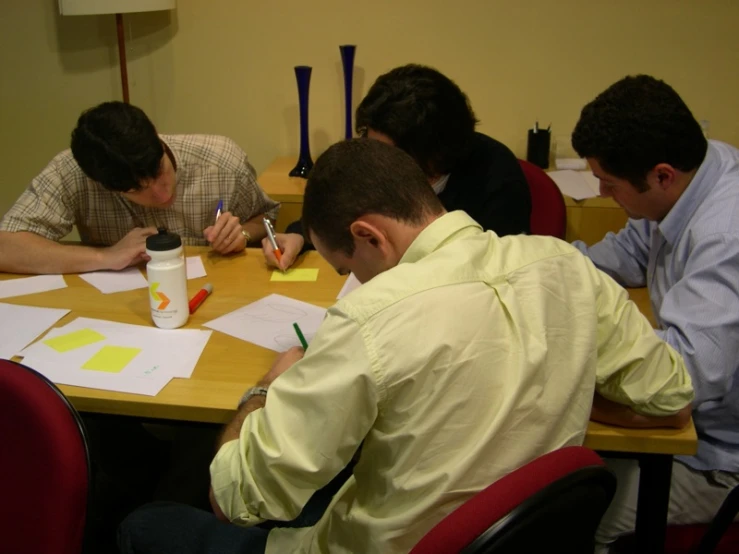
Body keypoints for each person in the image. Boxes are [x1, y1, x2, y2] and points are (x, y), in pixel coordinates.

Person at [119, 139, 693, 554]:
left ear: (369, 235)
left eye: (349, 265)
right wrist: (556, 370)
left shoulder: (370, 318)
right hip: (513, 536)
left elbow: (237, 497)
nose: (356, 281)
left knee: (145, 524)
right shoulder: (566, 263)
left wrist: (267, 388)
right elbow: (672, 397)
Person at [569, 74, 739, 552]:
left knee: (581, 518)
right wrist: (537, 268)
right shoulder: (697, 171)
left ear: (662, 174)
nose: (602, 193)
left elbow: (681, 379)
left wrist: (569, 355)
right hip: (688, 423)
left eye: (609, 183)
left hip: (716, 454)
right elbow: (624, 256)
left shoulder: (725, 235)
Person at [261, 64, 531, 270]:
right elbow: (337, 207)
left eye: (388, 153)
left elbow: (483, 275)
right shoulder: (377, 156)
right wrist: (299, 235)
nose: (374, 161)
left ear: (430, 156)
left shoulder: (497, 181)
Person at [0, 101, 279, 274]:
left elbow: (267, 218)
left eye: (159, 171)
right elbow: (6, 247)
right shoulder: (73, 172)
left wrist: (241, 232)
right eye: (136, 190)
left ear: (158, 140)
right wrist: (104, 256)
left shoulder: (221, 161)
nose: (161, 193)